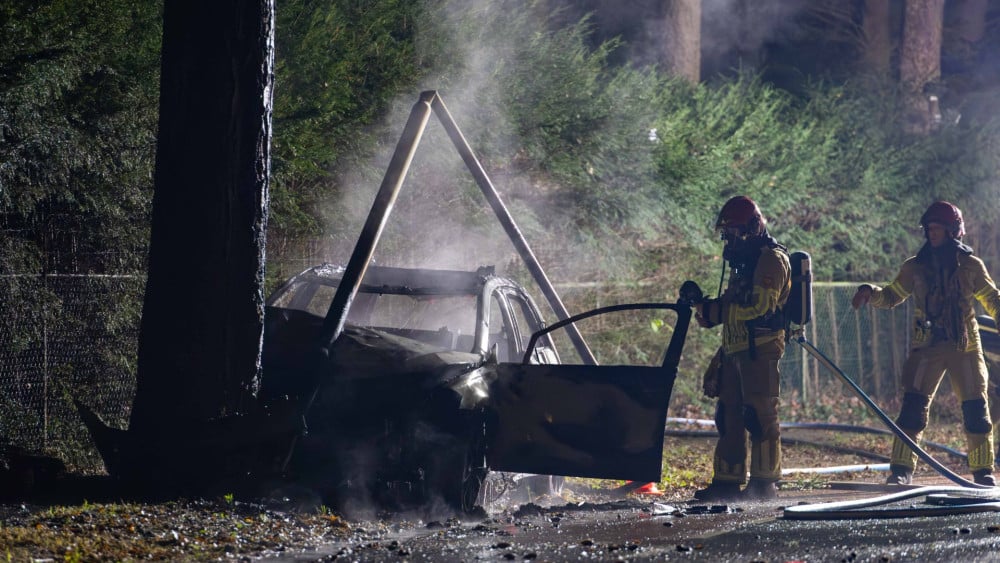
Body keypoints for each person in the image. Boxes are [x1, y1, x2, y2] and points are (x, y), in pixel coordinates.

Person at [852, 201, 1000, 486]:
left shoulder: (970, 266)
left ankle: (983, 473)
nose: (932, 234)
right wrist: (871, 292)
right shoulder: (915, 267)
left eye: (938, 229)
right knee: (912, 409)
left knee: (976, 411)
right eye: (929, 229)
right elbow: (893, 295)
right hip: (927, 348)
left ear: (952, 231)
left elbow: (992, 299)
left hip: (964, 348)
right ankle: (901, 471)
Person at [693, 195, 792, 501]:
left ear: (753, 227)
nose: (730, 239)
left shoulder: (771, 260)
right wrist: (701, 306)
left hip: (760, 351)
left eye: (734, 232)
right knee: (728, 415)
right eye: (727, 234)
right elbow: (729, 305)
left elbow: (761, 307)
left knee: (759, 416)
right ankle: (726, 482)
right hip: (734, 349)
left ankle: (764, 484)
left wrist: (724, 310)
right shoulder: (743, 264)